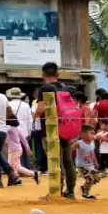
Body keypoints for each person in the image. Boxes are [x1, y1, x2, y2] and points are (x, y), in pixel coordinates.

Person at [33, 63, 76, 198]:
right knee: (68, 161)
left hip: (51, 130)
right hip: (66, 127)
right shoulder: (66, 88)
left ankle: (56, 190)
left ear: (43, 76)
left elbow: (40, 109)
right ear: (57, 75)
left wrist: (35, 115)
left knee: (54, 160)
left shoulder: (44, 88)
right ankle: (70, 191)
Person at [6, 87, 34, 171]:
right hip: (24, 131)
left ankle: (16, 169)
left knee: (13, 151)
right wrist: (29, 131)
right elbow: (30, 120)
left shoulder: (8, 104)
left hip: (11, 131)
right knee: (25, 151)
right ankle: (26, 168)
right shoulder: (25, 105)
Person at [71, 124, 101, 200]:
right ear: (83, 134)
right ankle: (85, 194)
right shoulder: (79, 143)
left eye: (94, 133)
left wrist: (95, 162)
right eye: (91, 133)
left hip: (90, 166)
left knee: (97, 178)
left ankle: (84, 187)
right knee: (90, 179)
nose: (93, 135)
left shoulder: (92, 143)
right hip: (82, 166)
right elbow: (70, 149)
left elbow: (92, 153)